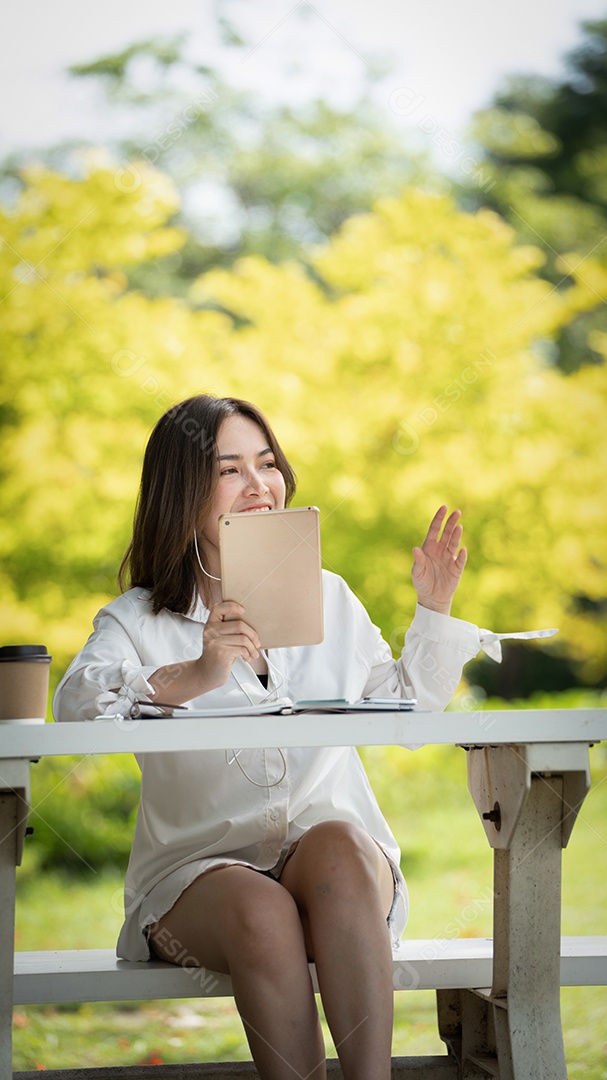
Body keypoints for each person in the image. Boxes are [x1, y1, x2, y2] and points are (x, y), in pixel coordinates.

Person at [54, 393, 537, 1080]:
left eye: (267, 462)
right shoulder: (138, 619)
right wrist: (195, 673)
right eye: (229, 470)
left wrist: (432, 610)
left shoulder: (330, 595)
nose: (259, 484)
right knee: (260, 906)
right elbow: (75, 709)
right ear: (181, 491)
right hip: (196, 883)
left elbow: (403, 703)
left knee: (340, 841)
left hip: (334, 878)